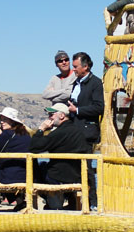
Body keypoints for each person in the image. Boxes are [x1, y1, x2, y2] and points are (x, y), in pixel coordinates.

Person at [29, 102, 91, 209]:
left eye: (51, 115)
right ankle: (65, 203)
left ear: (61, 116)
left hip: (59, 175)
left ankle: (54, 205)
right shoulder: (77, 130)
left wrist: (41, 130)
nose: (49, 118)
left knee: (38, 167)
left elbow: (34, 147)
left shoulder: (59, 133)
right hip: (77, 174)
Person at [68, 51, 104, 209]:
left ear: (86, 66)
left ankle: (93, 202)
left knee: (87, 169)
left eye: (75, 67)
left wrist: (77, 110)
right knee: (73, 167)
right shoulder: (76, 83)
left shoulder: (95, 83)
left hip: (86, 132)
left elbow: (98, 107)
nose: (73, 69)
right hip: (74, 131)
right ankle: (73, 201)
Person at [0, 106, 31, 210]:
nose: (2, 122)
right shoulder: (26, 134)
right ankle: (19, 201)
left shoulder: (7, 134)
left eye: (5, 119)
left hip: (9, 175)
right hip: (26, 173)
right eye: (1, 120)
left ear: (12, 121)